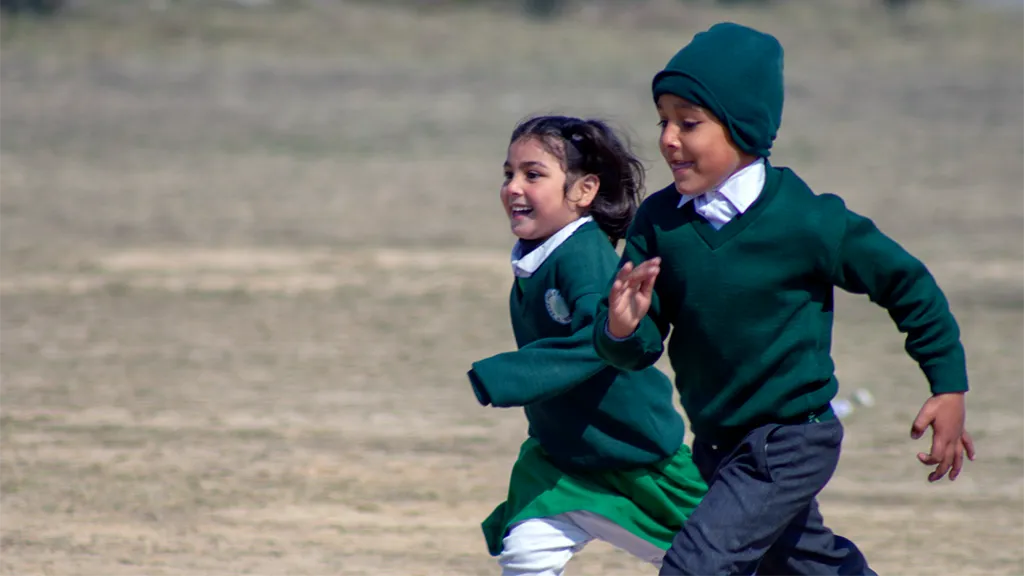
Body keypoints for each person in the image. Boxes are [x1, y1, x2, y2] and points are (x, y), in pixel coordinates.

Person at [592, 22, 976, 576]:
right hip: (718, 444)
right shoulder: (658, 222)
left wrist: (948, 385)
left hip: (794, 440)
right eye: (664, 121)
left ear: (743, 128)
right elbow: (639, 346)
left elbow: (907, 283)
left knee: (695, 566)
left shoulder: (808, 221)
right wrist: (623, 330)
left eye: (689, 123)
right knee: (807, 565)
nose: (668, 138)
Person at [468, 115, 707, 576]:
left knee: (726, 562)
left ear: (583, 191)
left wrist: (507, 375)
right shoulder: (538, 256)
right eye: (508, 174)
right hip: (560, 462)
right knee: (525, 555)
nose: (514, 187)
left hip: (639, 464)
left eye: (533, 175)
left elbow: (596, 341)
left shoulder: (585, 255)